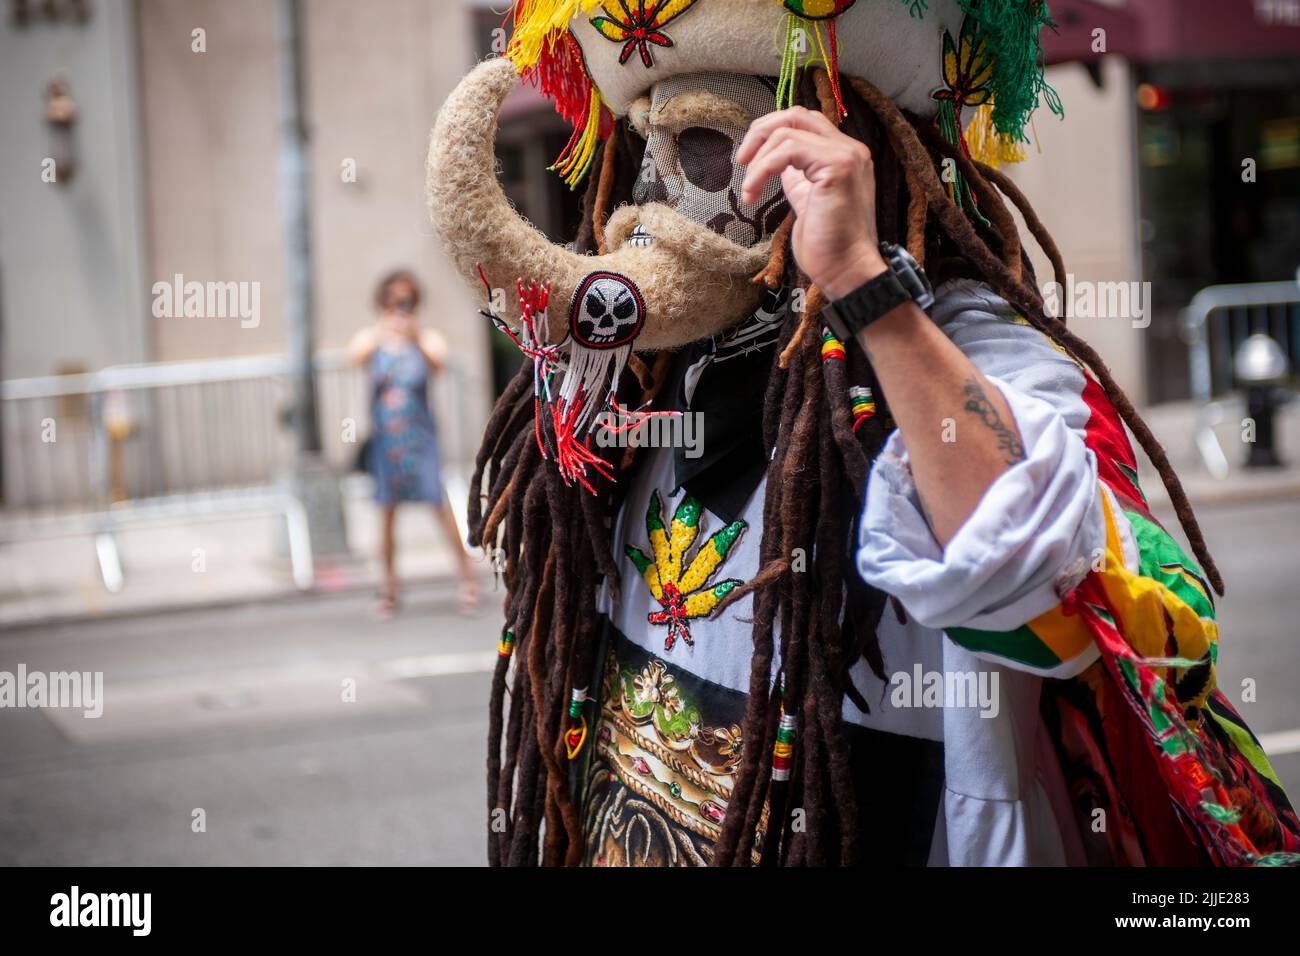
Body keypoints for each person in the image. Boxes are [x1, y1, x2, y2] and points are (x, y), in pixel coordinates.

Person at [427, 1, 1298, 866]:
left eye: (703, 147)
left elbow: (1037, 569)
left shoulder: (968, 346)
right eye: (644, 149)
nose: (656, 196)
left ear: (844, 161)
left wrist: (863, 285)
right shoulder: (653, 369)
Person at [347, 269, 477, 618]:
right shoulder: (373, 339)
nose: (398, 308)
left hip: (420, 441)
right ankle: (388, 588)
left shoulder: (426, 339)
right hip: (387, 443)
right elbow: (355, 356)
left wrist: (413, 335)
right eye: (393, 301)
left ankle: (467, 577)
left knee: (440, 508)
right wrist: (384, 330)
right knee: (386, 515)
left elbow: (438, 363)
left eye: (405, 301)